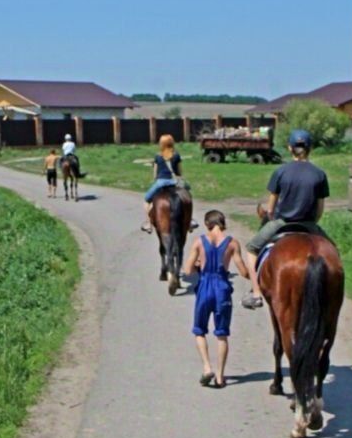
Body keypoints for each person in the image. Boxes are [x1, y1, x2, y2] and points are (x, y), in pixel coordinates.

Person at [241, 129, 330, 309]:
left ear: (290, 148)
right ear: (310, 148)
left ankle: (257, 294)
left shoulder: (281, 172)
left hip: (282, 223)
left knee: (251, 249)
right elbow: (320, 209)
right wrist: (313, 222)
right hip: (309, 224)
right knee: (332, 252)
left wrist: (271, 215)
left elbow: (271, 207)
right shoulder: (320, 174)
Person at [185, 209, 249, 388]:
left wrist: (199, 265)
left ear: (207, 224)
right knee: (222, 334)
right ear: (222, 223)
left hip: (205, 286)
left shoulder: (199, 241)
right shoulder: (232, 243)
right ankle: (220, 376)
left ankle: (207, 367)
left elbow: (188, 270)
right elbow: (243, 271)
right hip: (222, 287)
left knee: (199, 330)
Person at [141, 134, 198, 234]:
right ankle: (190, 221)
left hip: (161, 182)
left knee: (146, 199)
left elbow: (155, 175)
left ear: (161, 144)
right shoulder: (176, 155)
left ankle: (148, 224)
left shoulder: (158, 156)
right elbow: (180, 172)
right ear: (172, 143)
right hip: (175, 181)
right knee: (188, 195)